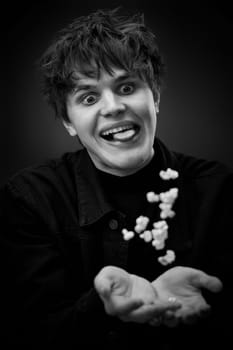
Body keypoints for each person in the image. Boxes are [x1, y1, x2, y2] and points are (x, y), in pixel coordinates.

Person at [0, 7, 232, 348]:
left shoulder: (220, 189)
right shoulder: (28, 201)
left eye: (126, 87)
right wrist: (101, 307)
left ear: (154, 97)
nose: (112, 107)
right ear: (68, 122)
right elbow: (29, 331)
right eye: (89, 97)